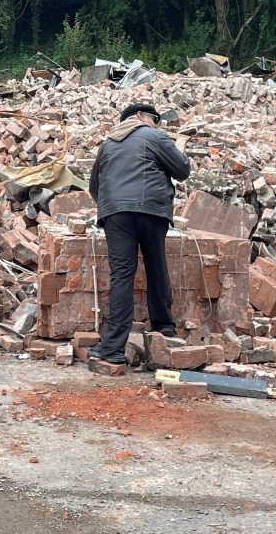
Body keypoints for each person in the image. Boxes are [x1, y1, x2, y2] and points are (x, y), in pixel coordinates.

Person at [87, 102, 191, 364]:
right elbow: (182, 170)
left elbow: (94, 186)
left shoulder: (107, 144)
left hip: (115, 214)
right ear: (140, 116)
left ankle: (112, 348)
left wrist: (111, 208)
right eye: (154, 117)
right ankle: (164, 327)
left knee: (122, 275)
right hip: (152, 210)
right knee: (156, 264)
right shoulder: (153, 135)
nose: (156, 122)